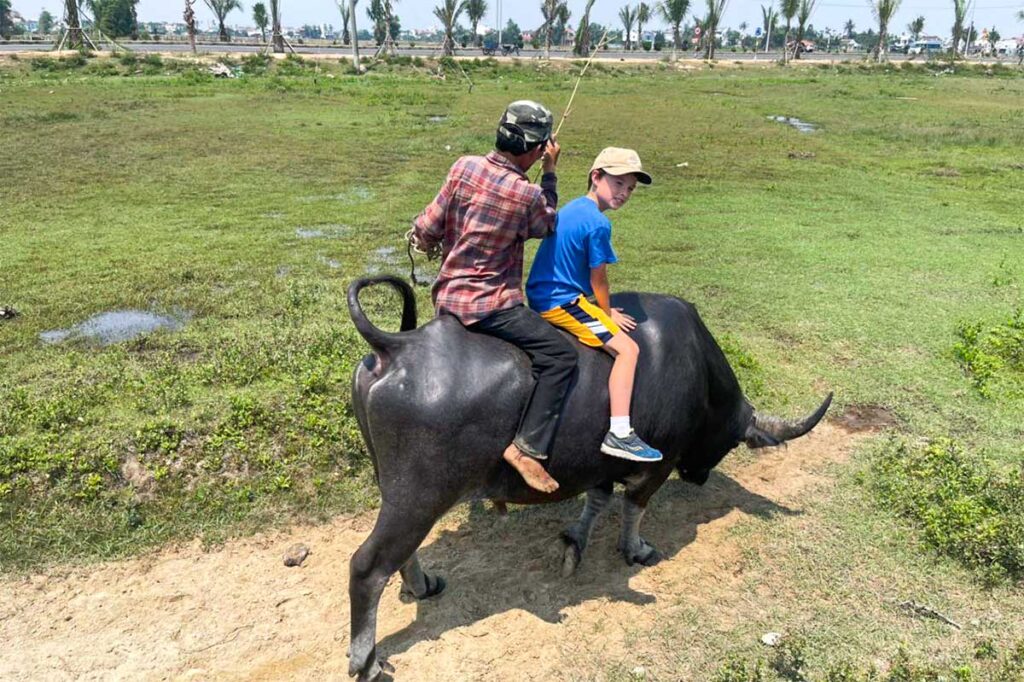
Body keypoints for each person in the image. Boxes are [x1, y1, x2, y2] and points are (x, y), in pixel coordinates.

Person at [409, 100, 574, 494]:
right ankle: (527, 447)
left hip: (446, 300)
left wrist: (424, 236)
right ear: (536, 151)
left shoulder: (462, 167)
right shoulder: (527, 194)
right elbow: (547, 222)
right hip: (492, 308)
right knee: (561, 356)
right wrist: (550, 174)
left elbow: (427, 227)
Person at [526, 147, 662, 463]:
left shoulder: (574, 208)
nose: (624, 193)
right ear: (596, 176)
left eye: (630, 188)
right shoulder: (599, 225)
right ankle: (620, 433)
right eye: (618, 183)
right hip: (560, 301)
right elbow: (599, 280)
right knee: (629, 350)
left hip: (543, 291)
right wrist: (606, 312)